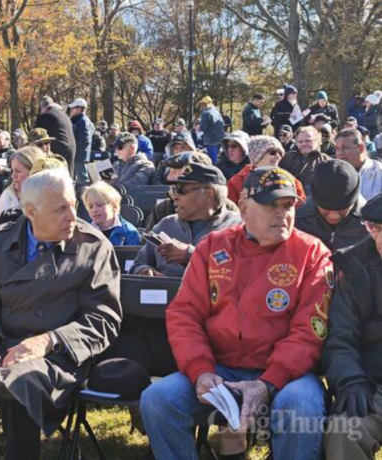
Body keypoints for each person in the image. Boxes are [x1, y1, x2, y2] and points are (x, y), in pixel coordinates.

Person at [0, 168, 123, 460]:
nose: (72, 216)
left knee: (19, 379)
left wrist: (48, 340)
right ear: (31, 211)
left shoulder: (92, 248)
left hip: (56, 354)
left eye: (73, 205)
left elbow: (104, 319)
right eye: (61, 209)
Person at [140, 166, 333, 460]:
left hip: (287, 375)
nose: (282, 214)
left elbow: (309, 332)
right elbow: (184, 314)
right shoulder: (213, 247)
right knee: (158, 398)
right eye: (270, 205)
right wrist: (201, 371)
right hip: (220, 369)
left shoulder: (313, 254)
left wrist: (268, 383)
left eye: (288, 205)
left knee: (300, 404)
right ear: (243, 208)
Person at [322, 194, 382, 459]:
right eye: (376, 229)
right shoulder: (356, 269)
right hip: (373, 384)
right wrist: (351, 379)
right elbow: (340, 337)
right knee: (345, 430)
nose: (379, 238)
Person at [131, 164, 241, 277]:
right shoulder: (166, 224)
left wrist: (191, 255)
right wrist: (144, 271)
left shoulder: (238, 227)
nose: (175, 196)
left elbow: (241, 272)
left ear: (209, 193)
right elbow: (138, 264)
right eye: (174, 189)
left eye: (181, 190)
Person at [296, 160, 367, 251]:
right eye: (325, 208)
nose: (333, 216)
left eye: (342, 208)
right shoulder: (296, 220)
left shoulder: (373, 226)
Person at [228, 135, 306, 205]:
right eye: (273, 152)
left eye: (280, 153)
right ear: (257, 156)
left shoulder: (291, 180)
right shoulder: (237, 181)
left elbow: (301, 208)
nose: (278, 157)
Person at [0, 146, 48, 219]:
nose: (13, 176)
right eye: (12, 170)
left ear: (34, 172)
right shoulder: (7, 195)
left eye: (18, 171)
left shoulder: (50, 198)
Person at [82, 181, 141, 245]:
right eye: (90, 207)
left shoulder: (130, 233)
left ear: (113, 205)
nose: (94, 210)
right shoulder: (83, 231)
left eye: (100, 205)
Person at [34, 95, 76, 177]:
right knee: (68, 177)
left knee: (53, 177)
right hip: (72, 147)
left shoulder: (44, 116)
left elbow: (37, 134)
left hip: (57, 147)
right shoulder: (65, 116)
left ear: (42, 107)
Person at [335, 128, 382, 201]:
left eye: (345, 148)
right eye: (337, 149)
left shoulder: (379, 172)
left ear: (361, 148)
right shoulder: (334, 174)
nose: (340, 153)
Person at [69, 98, 94, 184]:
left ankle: (85, 196)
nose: (71, 110)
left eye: (74, 108)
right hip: (78, 156)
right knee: (76, 180)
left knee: (83, 180)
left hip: (80, 156)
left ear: (80, 109)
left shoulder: (83, 121)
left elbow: (85, 140)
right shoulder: (78, 120)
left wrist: (75, 150)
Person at [198, 96, 225, 163]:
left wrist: (199, 128)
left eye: (203, 104)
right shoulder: (216, 111)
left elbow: (203, 128)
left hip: (211, 140)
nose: (202, 105)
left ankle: (215, 171)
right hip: (220, 138)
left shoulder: (206, 113)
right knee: (218, 158)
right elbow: (223, 123)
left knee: (213, 160)